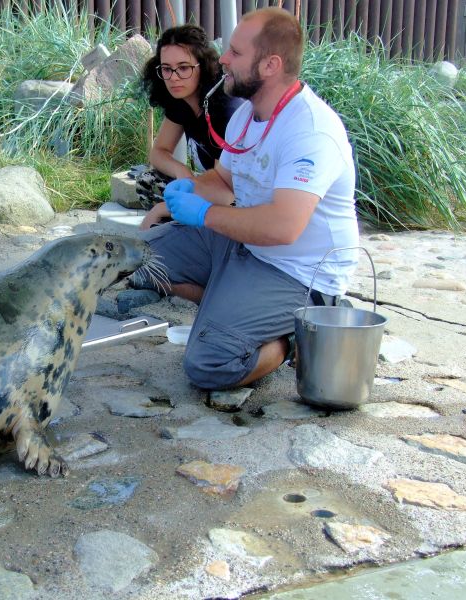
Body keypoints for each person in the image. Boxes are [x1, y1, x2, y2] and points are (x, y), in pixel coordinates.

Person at [134, 7, 359, 390]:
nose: (222, 59)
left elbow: (283, 227)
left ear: (270, 65)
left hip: (298, 274)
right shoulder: (248, 116)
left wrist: (204, 214)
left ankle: (294, 337)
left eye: (235, 53)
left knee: (209, 364)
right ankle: (230, 309)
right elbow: (224, 180)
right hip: (246, 247)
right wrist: (185, 192)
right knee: (132, 260)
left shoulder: (311, 132)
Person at [137, 25, 242, 228]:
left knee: (164, 208)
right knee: (148, 181)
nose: (174, 77)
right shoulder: (181, 98)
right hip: (208, 184)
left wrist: (162, 208)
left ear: (202, 66)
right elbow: (159, 152)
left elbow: (226, 186)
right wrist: (180, 170)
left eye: (183, 68)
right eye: (167, 69)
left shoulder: (225, 108)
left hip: (235, 196)